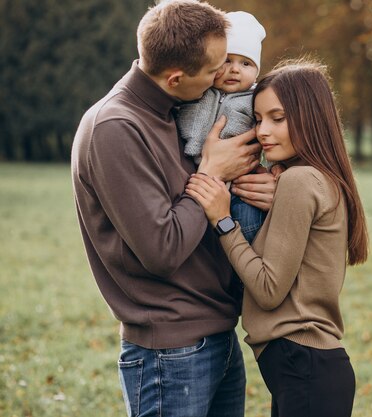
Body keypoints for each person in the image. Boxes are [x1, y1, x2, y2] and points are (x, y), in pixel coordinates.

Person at [70, 1, 277, 416]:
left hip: (217, 329)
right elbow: (162, 250)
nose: (223, 76)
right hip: (171, 349)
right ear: (176, 77)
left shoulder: (174, 110)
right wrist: (213, 172)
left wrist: (264, 189)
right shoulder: (117, 128)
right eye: (214, 69)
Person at [186, 59, 369, 417]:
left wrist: (223, 221)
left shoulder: (301, 182)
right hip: (308, 368)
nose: (263, 131)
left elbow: (269, 290)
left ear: (311, 117)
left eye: (278, 118)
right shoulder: (314, 178)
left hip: (304, 366)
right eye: (257, 119)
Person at [177, 10, 267, 243]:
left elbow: (273, 135)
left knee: (247, 225)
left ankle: (247, 271)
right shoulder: (199, 91)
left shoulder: (257, 99)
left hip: (240, 186)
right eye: (227, 60)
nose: (235, 69)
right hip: (195, 176)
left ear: (256, 71)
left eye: (245, 63)